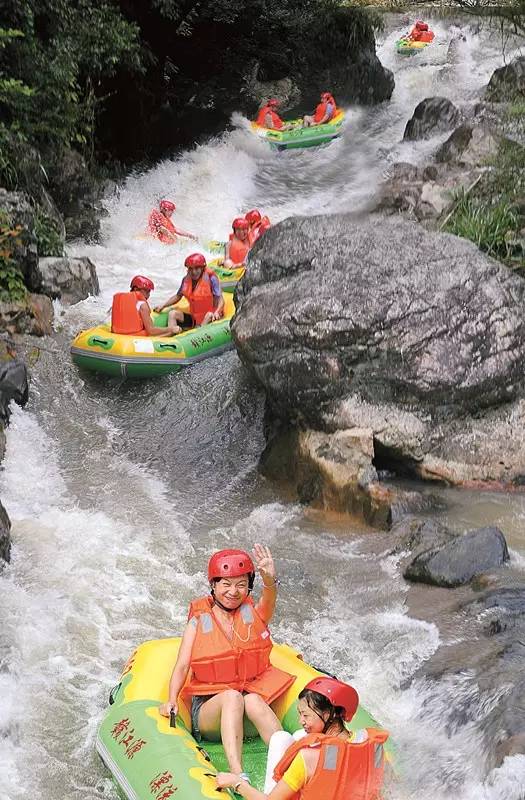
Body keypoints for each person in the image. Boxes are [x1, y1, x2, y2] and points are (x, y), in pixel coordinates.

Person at [159, 545, 295, 782]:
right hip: (210, 711)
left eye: (241, 585)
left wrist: (269, 578)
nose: (234, 591)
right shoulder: (198, 621)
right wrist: (171, 700)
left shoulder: (255, 613)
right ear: (213, 585)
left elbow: (269, 601)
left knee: (251, 699)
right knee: (232, 696)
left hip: (246, 705)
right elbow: (182, 666)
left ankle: (293, 766)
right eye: (226, 584)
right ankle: (237, 774)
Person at [217, 676, 389, 799]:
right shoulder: (374, 747)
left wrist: (236, 782)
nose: (301, 721)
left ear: (328, 714)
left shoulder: (308, 757)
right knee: (299, 735)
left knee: (280, 739)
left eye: (306, 715)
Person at [153, 253, 225, 330]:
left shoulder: (211, 278)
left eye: (196, 268)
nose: (193, 272)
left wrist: (217, 311)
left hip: (211, 315)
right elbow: (178, 296)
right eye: (190, 269)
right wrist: (163, 305)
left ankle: (198, 333)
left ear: (202, 268)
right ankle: (172, 334)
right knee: (172, 314)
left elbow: (220, 299)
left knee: (209, 315)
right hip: (194, 318)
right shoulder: (186, 280)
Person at [111, 275, 179, 337]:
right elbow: (151, 331)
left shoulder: (121, 301)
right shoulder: (142, 305)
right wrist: (171, 329)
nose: (148, 295)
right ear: (136, 289)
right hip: (136, 338)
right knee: (173, 332)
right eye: (146, 291)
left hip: (117, 336)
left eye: (149, 292)